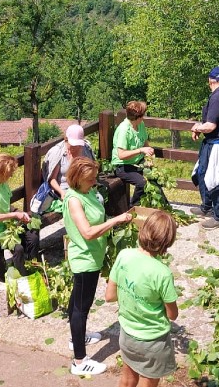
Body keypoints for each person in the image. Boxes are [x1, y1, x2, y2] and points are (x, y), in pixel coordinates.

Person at [64, 157, 134, 376]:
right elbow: (87, 232)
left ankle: (77, 337)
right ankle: (79, 361)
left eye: (95, 177)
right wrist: (116, 221)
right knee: (81, 308)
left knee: (76, 302)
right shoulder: (74, 199)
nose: (95, 181)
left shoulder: (87, 193)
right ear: (77, 178)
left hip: (93, 255)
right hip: (85, 260)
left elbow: (97, 220)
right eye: (90, 178)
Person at [105, 210, 180, 387]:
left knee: (127, 378)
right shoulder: (163, 273)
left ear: (143, 231)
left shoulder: (124, 255)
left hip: (127, 334)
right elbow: (172, 315)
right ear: (167, 242)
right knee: (148, 382)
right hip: (154, 341)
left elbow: (109, 296)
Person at [190, 67, 219, 229]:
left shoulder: (218, 98)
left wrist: (197, 127)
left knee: (216, 180)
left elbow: (210, 126)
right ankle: (206, 206)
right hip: (214, 143)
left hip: (218, 145)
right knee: (202, 173)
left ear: (210, 81)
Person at [110, 101, 158, 206]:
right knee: (143, 183)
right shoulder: (124, 130)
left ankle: (162, 206)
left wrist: (148, 156)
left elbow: (146, 143)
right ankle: (134, 206)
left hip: (137, 162)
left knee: (154, 178)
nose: (144, 117)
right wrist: (141, 150)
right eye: (143, 115)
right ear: (138, 116)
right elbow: (121, 155)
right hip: (122, 166)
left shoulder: (140, 125)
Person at [41, 124, 95, 213]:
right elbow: (52, 180)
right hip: (64, 190)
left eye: (78, 144)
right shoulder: (57, 153)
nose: (76, 147)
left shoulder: (85, 149)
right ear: (66, 139)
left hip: (84, 186)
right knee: (79, 205)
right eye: (73, 144)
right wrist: (62, 193)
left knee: (98, 200)